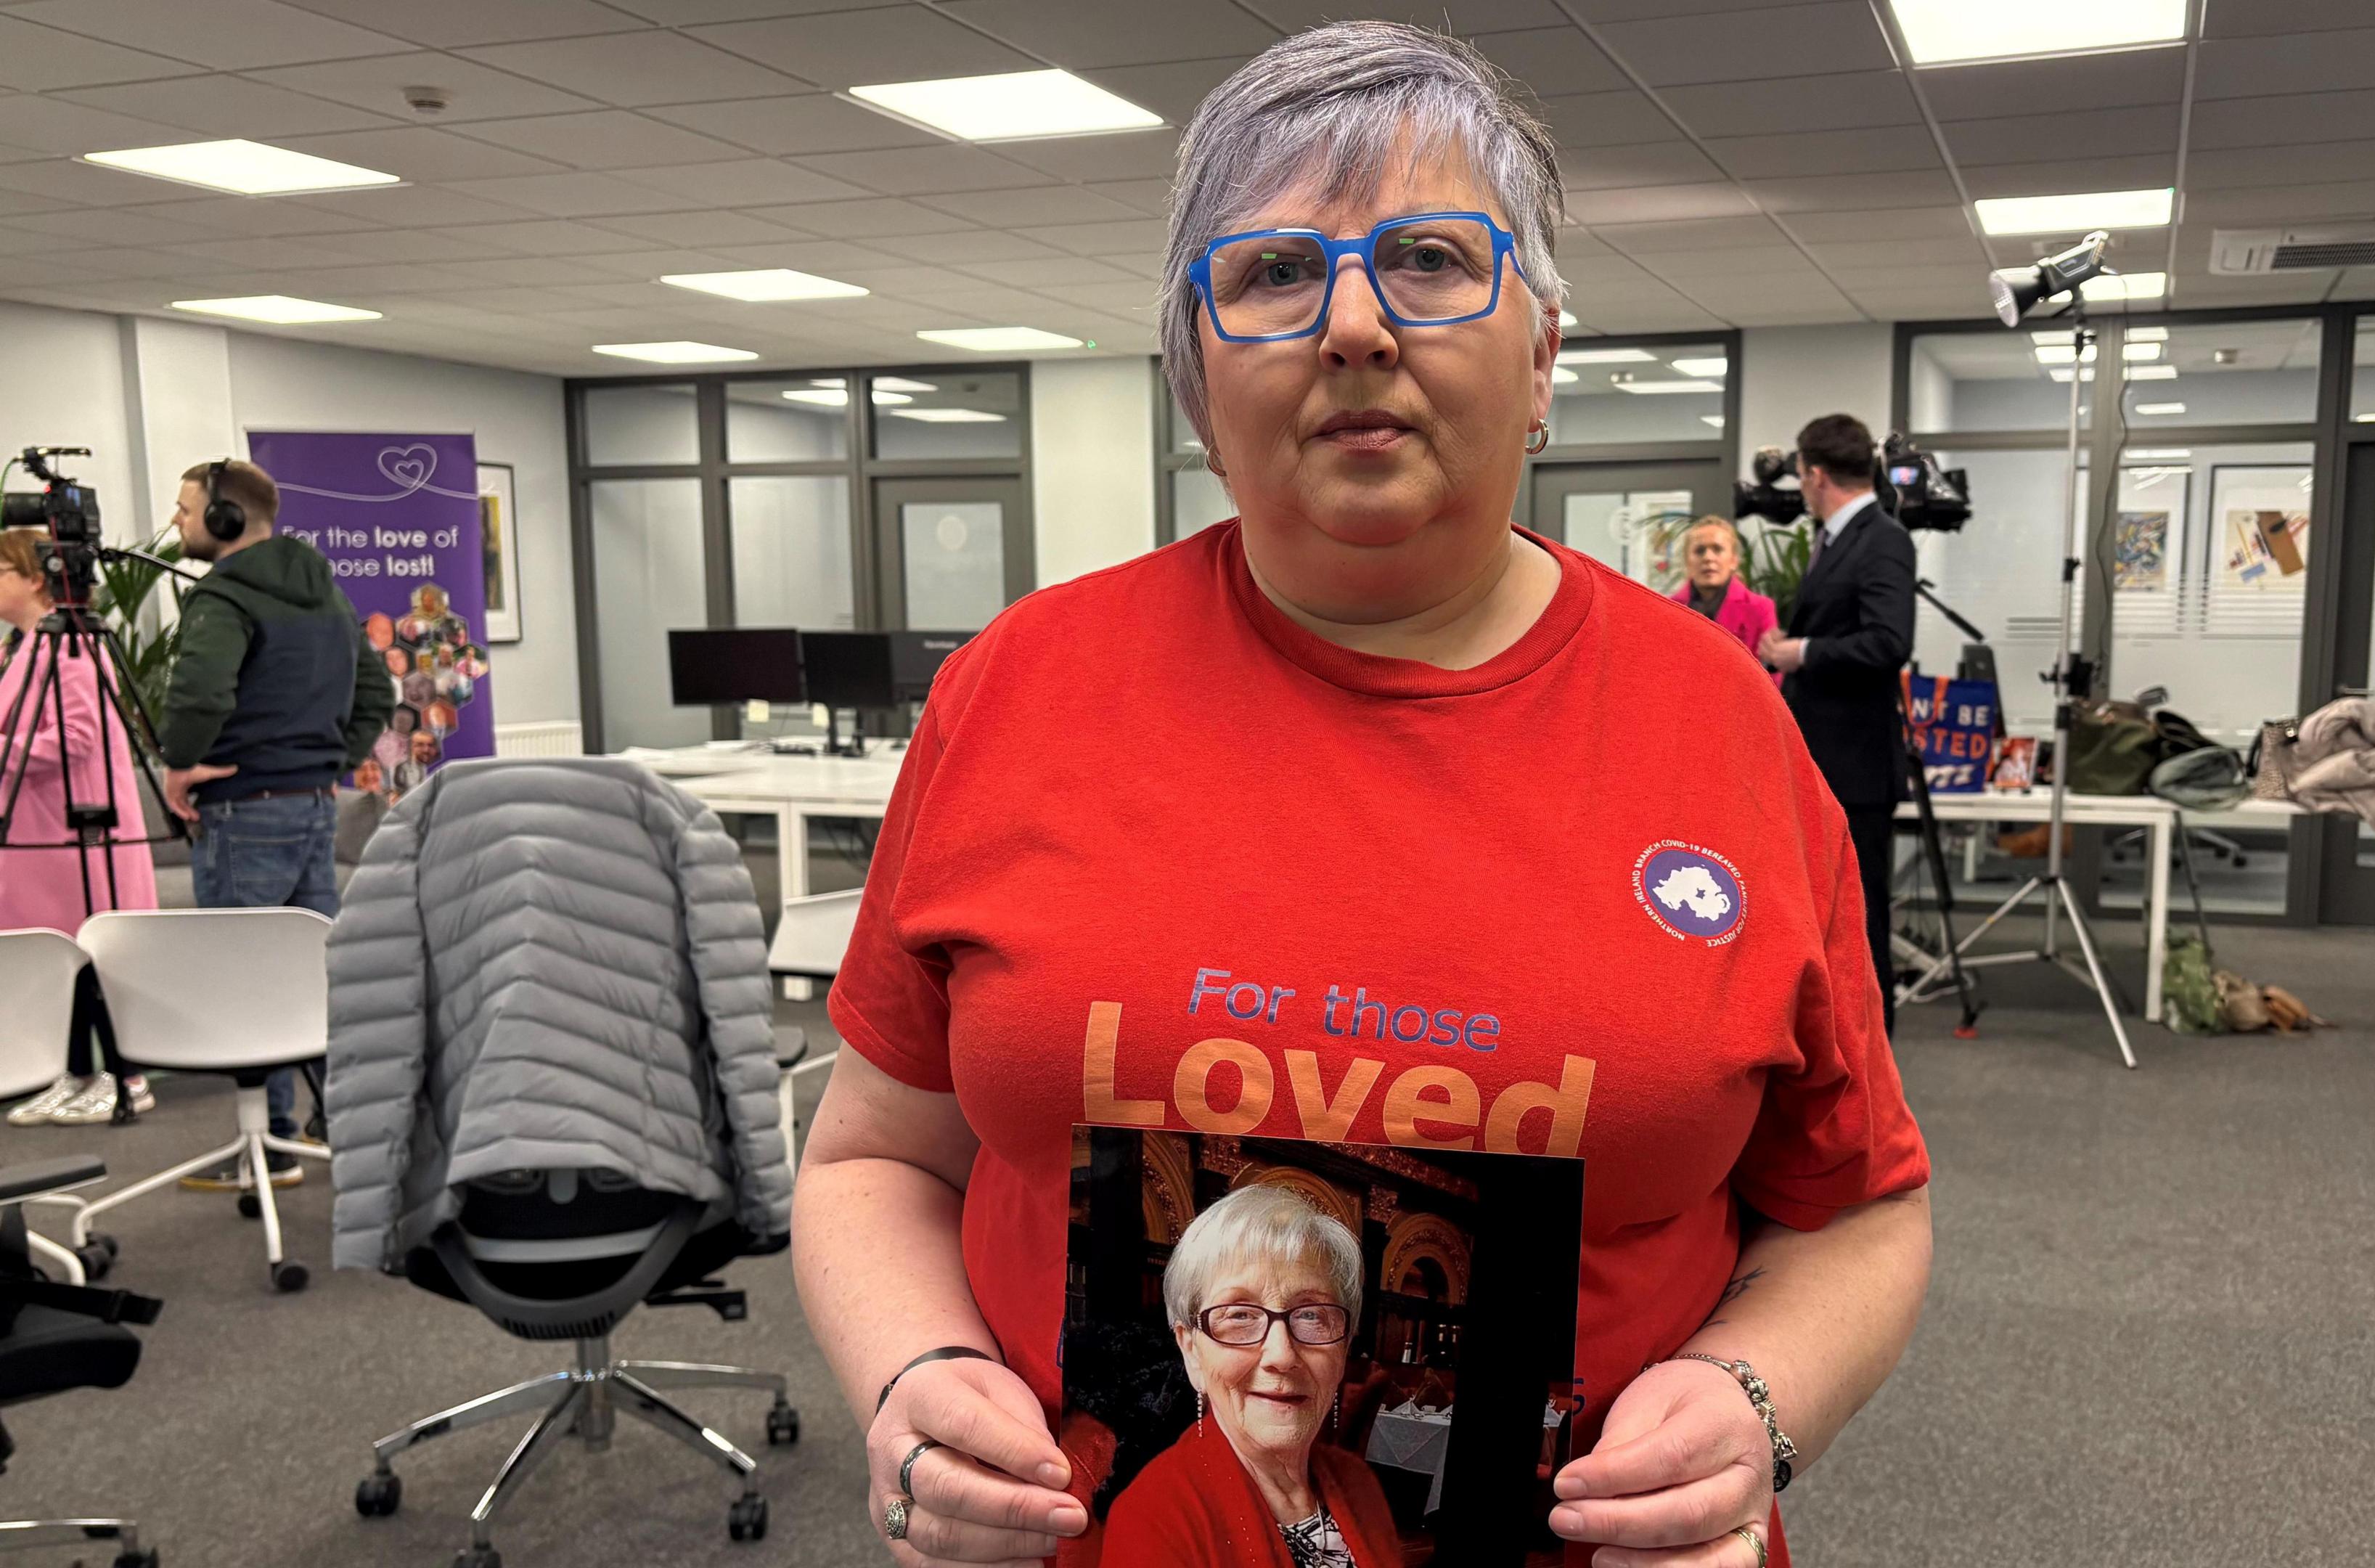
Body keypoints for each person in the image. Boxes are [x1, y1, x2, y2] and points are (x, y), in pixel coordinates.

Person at [794, 23, 1930, 1568]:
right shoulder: (1020, 688)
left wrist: (1757, 1400)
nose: (1351, 326)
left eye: (1431, 260)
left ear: (1541, 356)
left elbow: (1856, 1209)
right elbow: (871, 1158)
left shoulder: (1721, 726)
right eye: (1270, 274)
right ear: (1198, 373)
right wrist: (915, 1377)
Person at [157, 458, 395, 1187]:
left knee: (247, 983)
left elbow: (199, 691)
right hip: (312, 807)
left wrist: (180, 765)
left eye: (186, 508)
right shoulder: (324, 593)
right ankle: (347, 1130)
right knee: (312, 975)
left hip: (241, 809)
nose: (177, 521)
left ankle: (270, 1144)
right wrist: (328, 760)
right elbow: (377, 691)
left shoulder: (223, 597)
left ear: (225, 520)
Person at [1103, 1185, 1401, 1567]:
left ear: (1343, 1350)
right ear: (1192, 1351)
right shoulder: (1153, 1520)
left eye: (1311, 1315)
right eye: (1239, 1315)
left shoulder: (1361, 1483)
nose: (1281, 1356)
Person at [1757, 416, 1916, 1026]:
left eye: (1800, 475)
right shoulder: (1840, 539)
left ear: (1817, 474)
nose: (1798, 487)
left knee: (1862, 914)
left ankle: (1874, 1049)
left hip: (1857, 767)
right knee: (1831, 913)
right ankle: (1842, 1040)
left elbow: (1887, 642)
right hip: (1829, 761)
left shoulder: (1882, 538)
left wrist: (1803, 653)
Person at [0, 528, 157, 1127]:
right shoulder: (26, 644)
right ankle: (72, 1072)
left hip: (78, 829)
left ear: (36, 579)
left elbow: (75, 739)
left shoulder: (69, 646)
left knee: (93, 959)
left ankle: (127, 1077)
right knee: (55, 958)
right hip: (39, 830)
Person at [1668, 517, 1779, 684]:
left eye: (1718, 549)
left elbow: (1772, 678)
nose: (1708, 558)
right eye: (1699, 551)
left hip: (1741, 706)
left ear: (1733, 560)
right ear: (1687, 561)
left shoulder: (1761, 608)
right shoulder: (1669, 609)